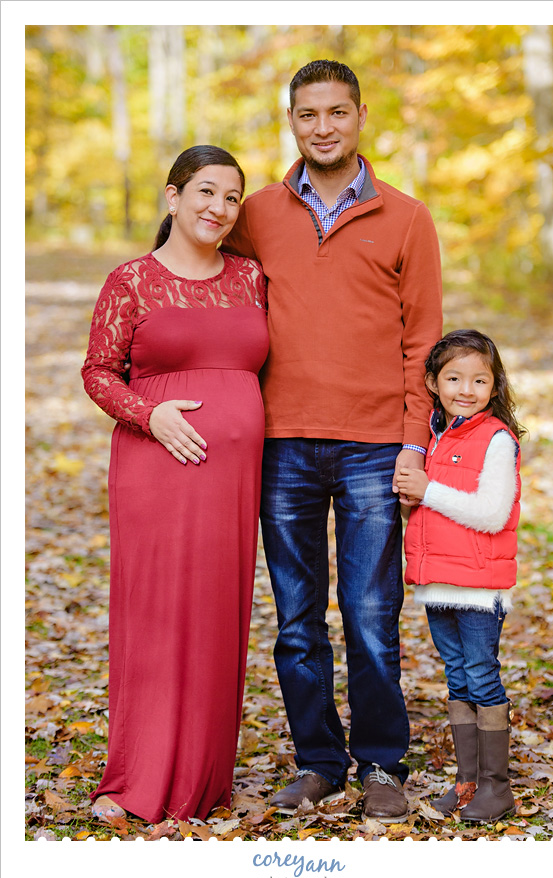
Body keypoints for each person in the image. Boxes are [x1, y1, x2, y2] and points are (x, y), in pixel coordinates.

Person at [223, 60, 442, 821]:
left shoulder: (407, 217)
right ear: (291, 120)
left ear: (360, 116)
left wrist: (415, 443)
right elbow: (212, 294)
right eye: (308, 114)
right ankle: (319, 762)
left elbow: (423, 342)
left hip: (374, 445)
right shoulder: (256, 213)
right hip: (280, 442)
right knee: (296, 620)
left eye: (337, 112)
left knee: (372, 614)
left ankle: (381, 762)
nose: (323, 127)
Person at [81, 146, 268, 823]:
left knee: (218, 617)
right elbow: (98, 371)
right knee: (158, 615)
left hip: (233, 481)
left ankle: (204, 780)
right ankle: (139, 777)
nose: (219, 208)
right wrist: (148, 413)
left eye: (231, 197)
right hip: (156, 469)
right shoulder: (132, 280)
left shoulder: (251, 278)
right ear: (173, 196)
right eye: (206, 192)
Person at [396, 329, 525, 823]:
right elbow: (430, 511)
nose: (465, 390)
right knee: (457, 677)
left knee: (481, 676)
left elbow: (492, 514)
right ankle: (467, 781)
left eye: (479, 380)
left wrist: (426, 489)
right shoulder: (434, 437)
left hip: (478, 588)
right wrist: (411, 499)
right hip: (438, 583)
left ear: (494, 386)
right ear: (433, 382)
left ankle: (496, 786)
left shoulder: (497, 440)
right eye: (453, 378)